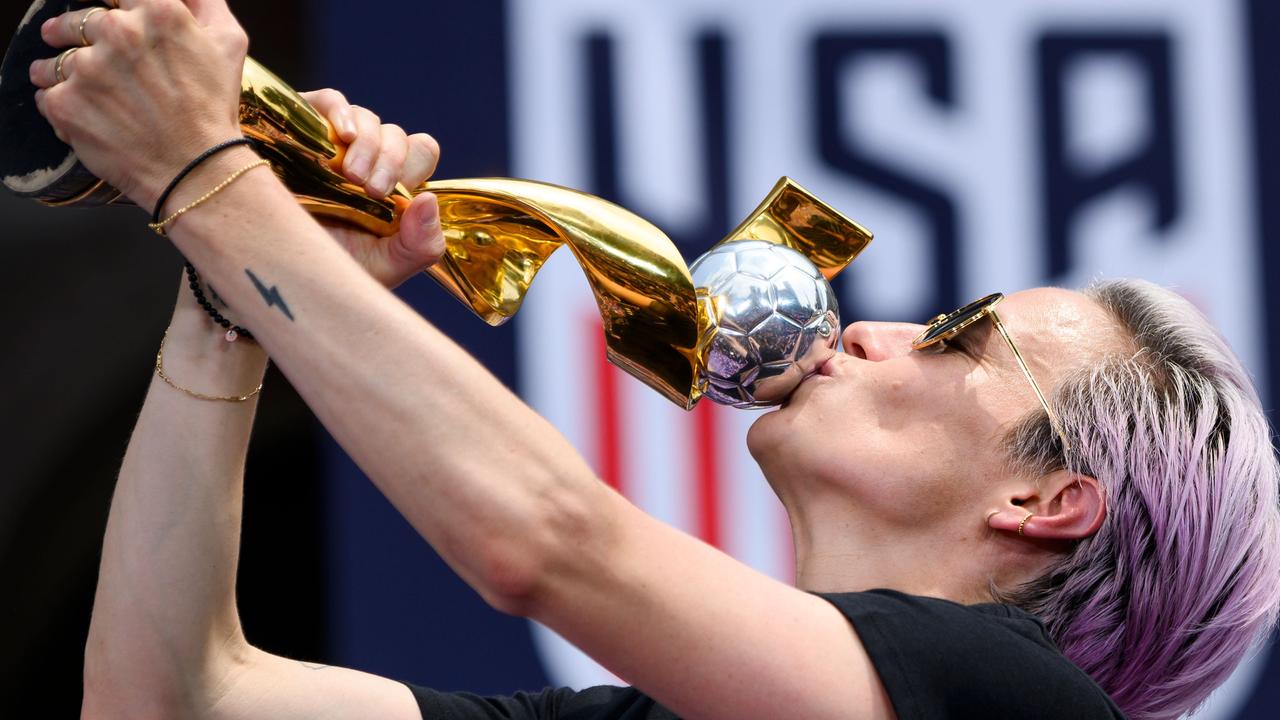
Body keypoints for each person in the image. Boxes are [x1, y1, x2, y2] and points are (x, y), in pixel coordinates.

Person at [28, 2, 1280, 719]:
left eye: (956, 339)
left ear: (1046, 502)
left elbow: (544, 542)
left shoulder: (1016, 706)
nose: (872, 329)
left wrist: (207, 177)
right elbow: (172, 699)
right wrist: (229, 301)